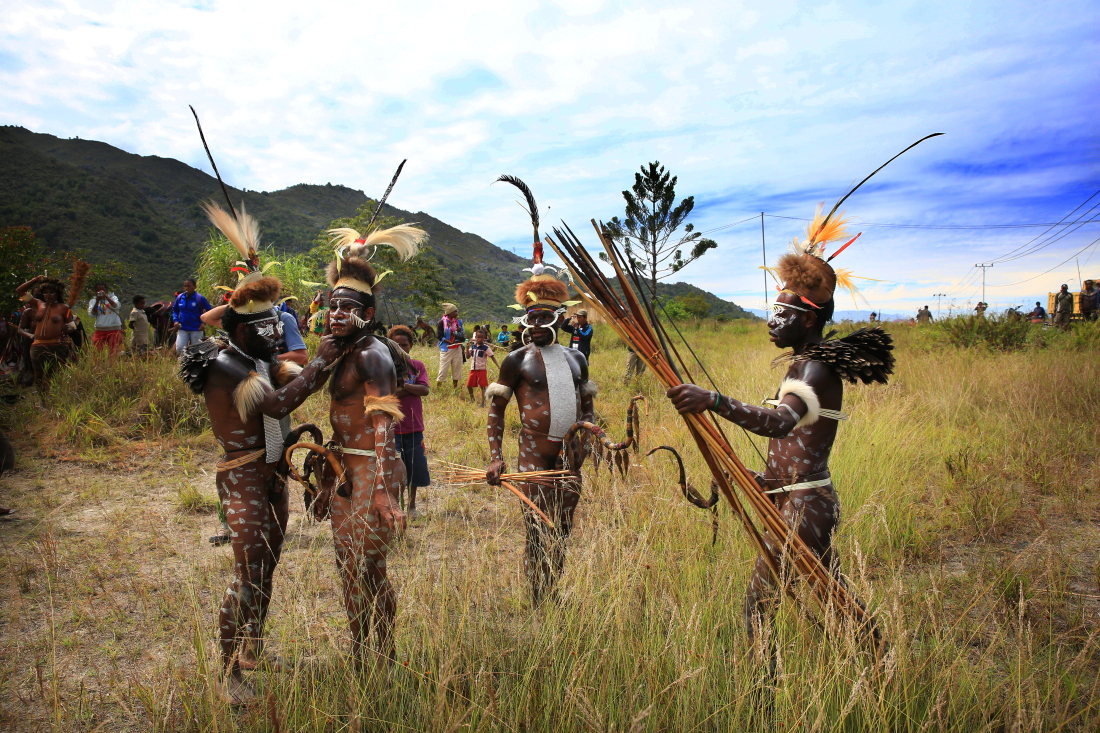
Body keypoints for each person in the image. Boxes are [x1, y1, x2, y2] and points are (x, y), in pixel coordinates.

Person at [666, 209, 889, 652]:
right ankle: (878, 658)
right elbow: (796, 446)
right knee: (836, 599)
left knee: (760, 608)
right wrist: (761, 479)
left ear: (808, 318)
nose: (772, 321)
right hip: (798, 500)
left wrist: (713, 400)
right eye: (773, 311)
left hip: (804, 507)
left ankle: (764, 697)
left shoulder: (816, 367)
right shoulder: (807, 362)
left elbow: (782, 423)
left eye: (780, 312)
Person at [176, 202, 343, 704]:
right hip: (244, 477)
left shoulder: (258, 357)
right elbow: (277, 402)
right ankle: (229, 675)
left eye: (278, 325)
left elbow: (296, 389)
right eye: (266, 327)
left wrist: (327, 361)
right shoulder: (228, 364)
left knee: (268, 564)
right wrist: (318, 363)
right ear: (240, 327)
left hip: (271, 474)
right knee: (247, 572)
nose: (276, 333)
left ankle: (253, 649)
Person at [316, 222, 427, 666]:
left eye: (347, 307)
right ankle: (364, 653)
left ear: (368, 310)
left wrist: (380, 488)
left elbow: (383, 422)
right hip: (349, 470)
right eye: (331, 305)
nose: (336, 314)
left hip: (370, 472)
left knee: (367, 568)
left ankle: (382, 654)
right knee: (350, 568)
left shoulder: (371, 354)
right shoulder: (343, 350)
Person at [485, 176, 593, 606]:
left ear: (559, 318)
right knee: (536, 525)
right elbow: (496, 411)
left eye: (546, 317)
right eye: (532, 318)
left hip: (570, 455)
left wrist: (590, 439)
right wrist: (495, 456)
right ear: (525, 318)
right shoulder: (517, 360)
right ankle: (536, 595)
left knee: (563, 526)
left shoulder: (576, 358)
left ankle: (553, 590)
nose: (537, 325)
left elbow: (587, 406)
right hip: (533, 451)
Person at [389, 325, 431, 520]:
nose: (400, 349)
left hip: (414, 426)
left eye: (404, 345)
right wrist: (411, 388)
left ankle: (412, 505)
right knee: (394, 468)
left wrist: (403, 386)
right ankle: (395, 504)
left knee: (415, 466)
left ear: (411, 346)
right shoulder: (384, 366)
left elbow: (425, 390)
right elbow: (388, 394)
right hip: (391, 427)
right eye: (396, 345)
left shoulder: (416, 366)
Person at [15, 275, 77, 401]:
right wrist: (34, 280)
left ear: (57, 293)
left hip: (57, 345)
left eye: (52, 292)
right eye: (46, 292)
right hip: (37, 345)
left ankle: (56, 398)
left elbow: (72, 327)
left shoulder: (64, 307)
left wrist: (67, 328)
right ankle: (43, 400)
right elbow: (19, 291)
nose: (49, 295)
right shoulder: (37, 304)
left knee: (54, 373)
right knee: (38, 374)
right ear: (42, 293)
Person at [171, 278, 212, 354]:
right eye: (185, 286)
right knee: (180, 348)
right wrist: (176, 321)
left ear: (194, 286)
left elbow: (209, 311)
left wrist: (203, 322)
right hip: (183, 327)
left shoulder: (199, 298)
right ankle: (184, 364)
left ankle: (196, 365)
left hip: (196, 328)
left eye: (189, 286)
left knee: (196, 350)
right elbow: (175, 310)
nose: (186, 288)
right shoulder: (180, 298)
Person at [465, 328, 499, 406]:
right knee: (469, 385)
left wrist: (498, 366)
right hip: (473, 369)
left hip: (481, 370)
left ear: (484, 338)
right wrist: (467, 348)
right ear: (475, 338)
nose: (479, 339)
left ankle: (483, 403)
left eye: (481, 337)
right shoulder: (473, 347)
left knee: (482, 386)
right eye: (478, 337)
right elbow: (467, 357)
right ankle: (472, 399)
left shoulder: (485, 348)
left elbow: (492, 357)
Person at [436, 303, 465, 390]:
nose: (457, 313)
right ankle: (439, 388)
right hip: (447, 349)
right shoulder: (441, 323)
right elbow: (439, 336)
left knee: (457, 368)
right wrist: (449, 341)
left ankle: (455, 388)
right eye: (455, 311)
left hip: (457, 347)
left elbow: (463, 335)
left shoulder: (458, 323)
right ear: (450, 313)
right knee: (443, 369)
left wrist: (460, 331)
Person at [89, 283, 124, 353]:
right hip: (100, 329)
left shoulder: (113, 297)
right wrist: (97, 301)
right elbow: (92, 314)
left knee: (114, 351)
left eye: (102, 290)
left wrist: (106, 297)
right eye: (98, 290)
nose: (100, 292)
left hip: (114, 329)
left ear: (106, 290)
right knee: (97, 350)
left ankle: (113, 363)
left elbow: (116, 306)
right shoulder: (93, 301)